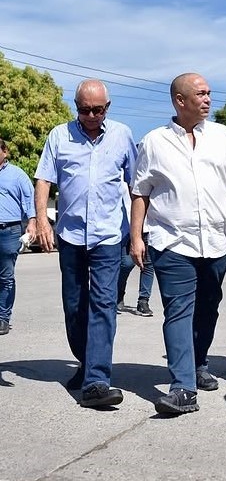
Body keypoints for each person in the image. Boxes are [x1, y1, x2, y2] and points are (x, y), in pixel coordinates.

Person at [130, 72, 226, 415]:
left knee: (208, 307)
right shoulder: (154, 142)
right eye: (200, 94)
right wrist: (136, 237)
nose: (208, 99)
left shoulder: (223, 137)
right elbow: (140, 192)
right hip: (171, 240)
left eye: (209, 93)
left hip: (217, 241)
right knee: (177, 310)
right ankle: (183, 387)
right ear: (180, 100)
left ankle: (199, 361)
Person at [34, 79, 137, 408]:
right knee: (75, 306)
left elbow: (137, 184)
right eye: (84, 109)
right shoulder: (59, 136)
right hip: (71, 235)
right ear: (75, 106)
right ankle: (86, 360)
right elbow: (44, 179)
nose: (91, 115)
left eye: (98, 109)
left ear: (108, 106)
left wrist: (138, 231)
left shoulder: (122, 134)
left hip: (108, 235)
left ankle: (96, 378)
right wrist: (40, 220)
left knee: (104, 304)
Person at [0, 139, 37, 335]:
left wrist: (32, 223)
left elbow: (29, 200)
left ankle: (3, 318)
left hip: (9, 230)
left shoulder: (17, 175)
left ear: (4, 151)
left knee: (5, 276)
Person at [117, 186, 154, 316]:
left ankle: (143, 301)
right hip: (125, 227)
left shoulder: (147, 175)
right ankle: (118, 294)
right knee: (127, 263)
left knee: (148, 264)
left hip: (148, 225)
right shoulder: (121, 176)